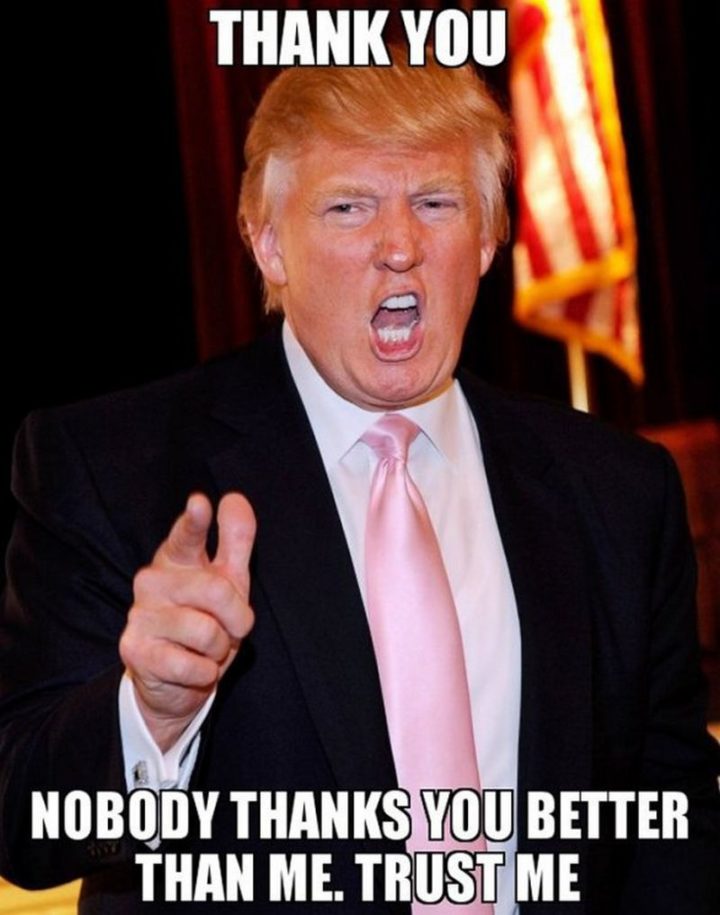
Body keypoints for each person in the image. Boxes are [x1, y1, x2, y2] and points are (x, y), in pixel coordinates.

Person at [1, 53, 718, 915]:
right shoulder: (113, 469)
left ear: (488, 238)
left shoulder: (621, 492)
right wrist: (148, 715)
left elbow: (670, 823)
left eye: (436, 203)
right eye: (349, 206)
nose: (400, 246)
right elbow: (24, 828)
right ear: (269, 243)